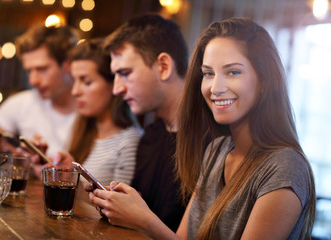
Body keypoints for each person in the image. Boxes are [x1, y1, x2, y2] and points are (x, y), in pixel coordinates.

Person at [85, 18, 316, 240]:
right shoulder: (217, 150)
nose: (215, 88)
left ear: (265, 81)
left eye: (233, 72)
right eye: (208, 74)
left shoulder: (285, 166)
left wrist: (144, 219)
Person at [99, 13, 189, 232]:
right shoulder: (151, 135)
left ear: (164, 66)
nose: (116, 89)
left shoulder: (211, 142)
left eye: (125, 73)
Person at [52, 38, 141, 186]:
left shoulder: (129, 141)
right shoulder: (83, 129)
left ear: (114, 84)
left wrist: (72, 182)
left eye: (86, 82)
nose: (75, 91)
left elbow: (117, 207)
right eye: (74, 81)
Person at [0, 25, 78, 156]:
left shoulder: (91, 110)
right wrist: (12, 151)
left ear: (68, 65)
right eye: (29, 71)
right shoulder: (23, 102)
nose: (33, 80)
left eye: (42, 69)